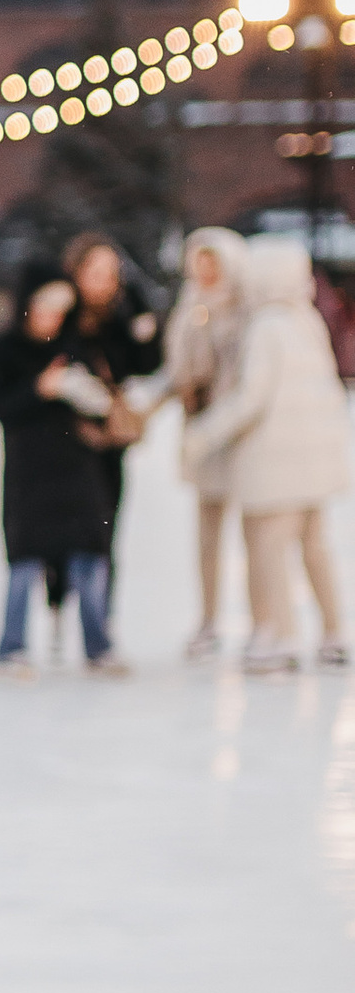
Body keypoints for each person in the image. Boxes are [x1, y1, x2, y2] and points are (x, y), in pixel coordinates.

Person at [179, 237, 349, 672]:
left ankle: (278, 635)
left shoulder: (266, 327)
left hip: (272, 465)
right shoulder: (305, 320)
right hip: (312, 464)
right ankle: (333, 633)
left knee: (267, 551)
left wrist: (202, 434)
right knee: (314, 548)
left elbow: (248, 399)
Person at [0, 275, 125, 676]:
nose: (50, 320)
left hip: (78, 471)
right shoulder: (4, 349)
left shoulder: (76, 347)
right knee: (24, 562)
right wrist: (39, 388)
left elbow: (107, 401)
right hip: (29, 474)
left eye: (59, 312)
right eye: (43, 310)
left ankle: (98, 645)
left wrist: (85, 392)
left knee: (89, 558)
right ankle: (12, 647)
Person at [58, 230, 159, 602]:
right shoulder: (60, 317)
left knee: (105, 529)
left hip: (108, 444)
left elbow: (146, 365)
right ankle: (60, 599)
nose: (105, 282)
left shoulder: (124, 314)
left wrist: (142, 319)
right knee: (65, 529)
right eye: (96, 272)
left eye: (112, 273)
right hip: (66, 440)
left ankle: (101, 617)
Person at [165, 229, 251, 657]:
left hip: (239, 437)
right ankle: (208, 619)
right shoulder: (189, 306)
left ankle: (262, 621)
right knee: (207, 538)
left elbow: (246, 381)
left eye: (213, 262)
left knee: (256, 536)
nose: (206, 271)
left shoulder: (244, 311)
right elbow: (175, 366)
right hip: (200, 432)